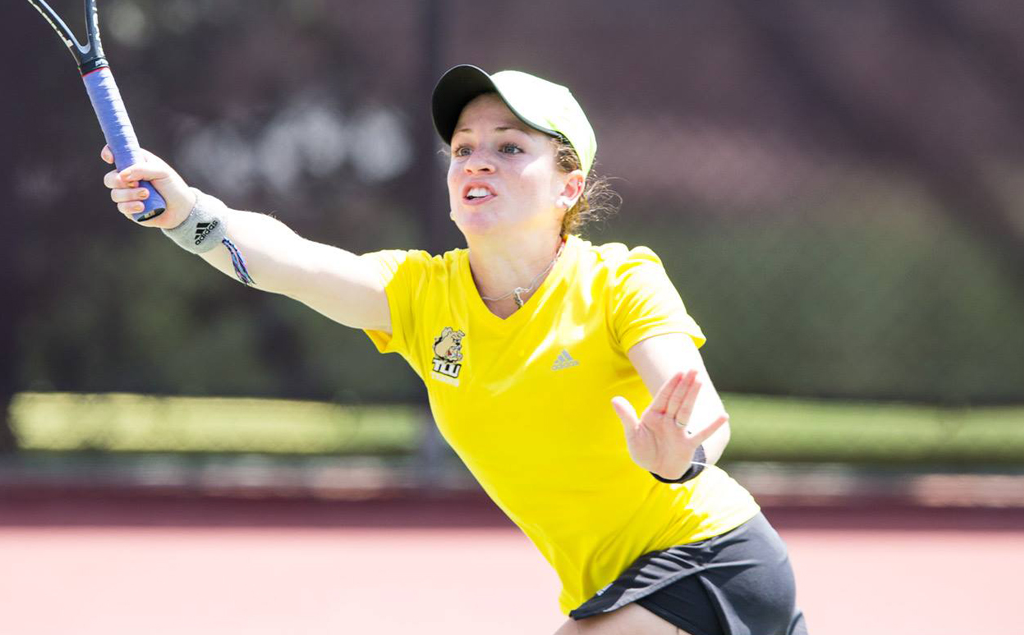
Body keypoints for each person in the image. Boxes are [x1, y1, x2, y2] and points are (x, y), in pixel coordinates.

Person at [99, 64, 807, 635]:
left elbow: (701, 410)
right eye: (463, 147)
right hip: (616, 584)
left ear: (570, 185)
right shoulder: (419, 295)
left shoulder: (620, 278)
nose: (477, 161)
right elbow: (290, 260)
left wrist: (680, 457)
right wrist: (188, 211)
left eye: (508, 146)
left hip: (710, 558)